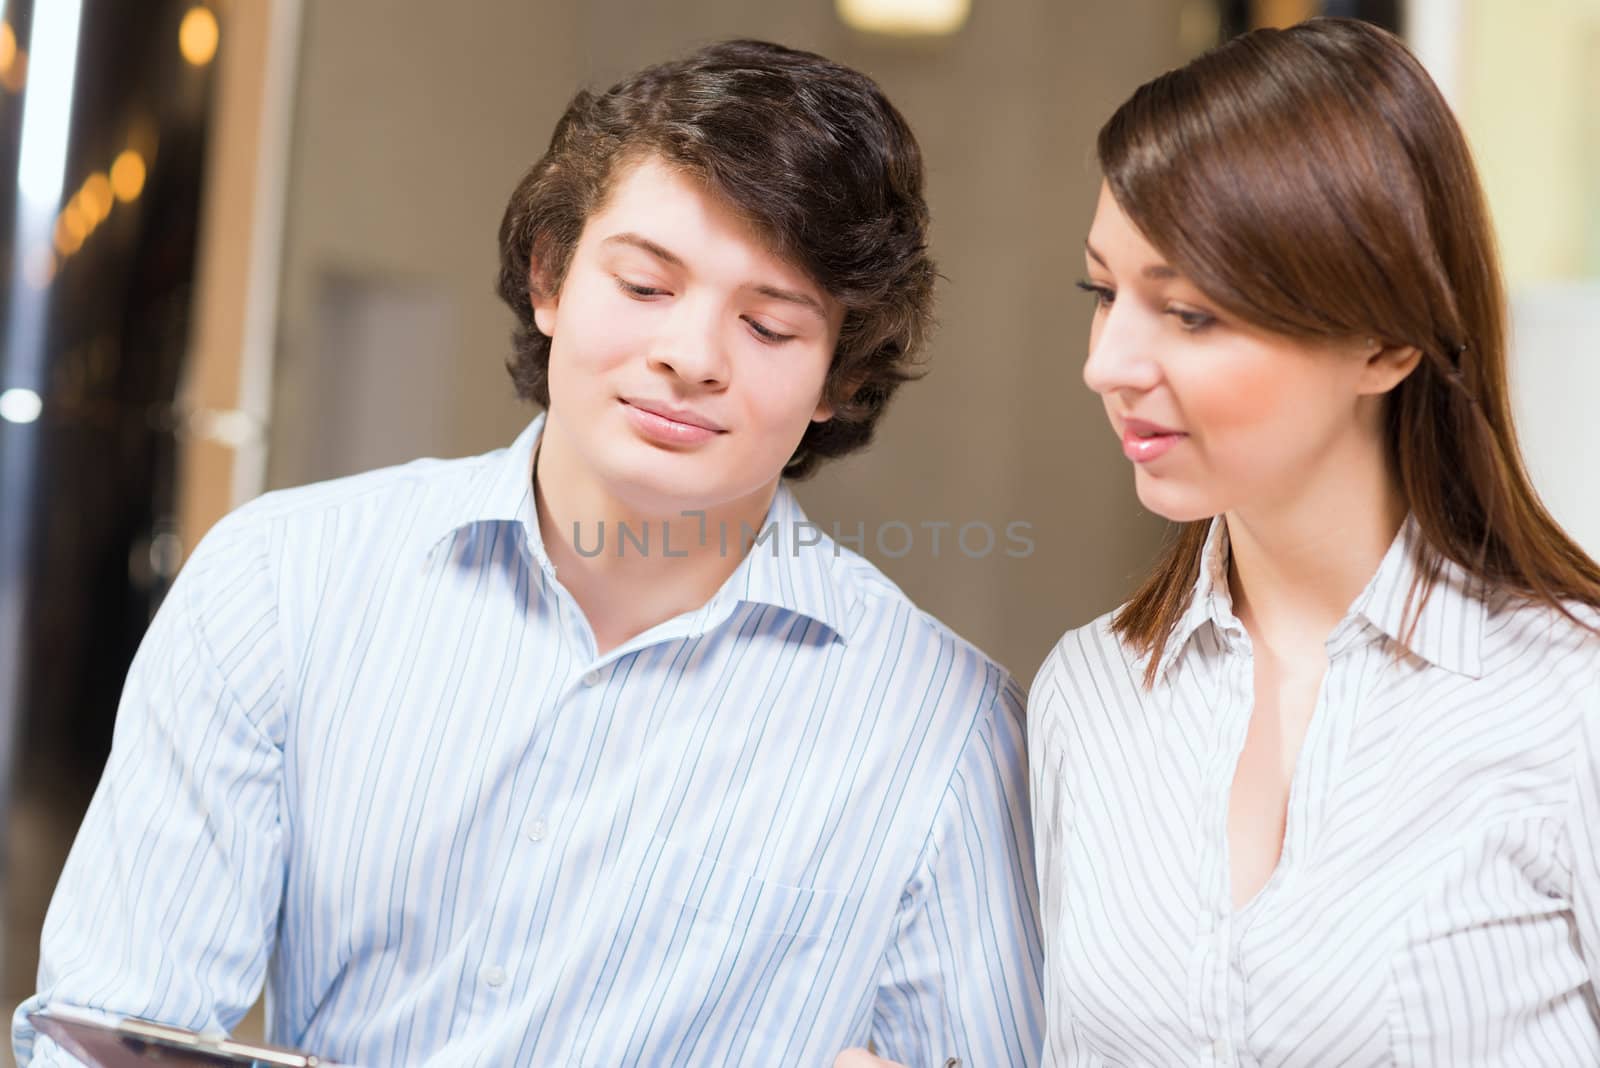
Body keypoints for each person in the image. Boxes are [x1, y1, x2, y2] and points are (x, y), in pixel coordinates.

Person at [14, 40, 1044, 1067]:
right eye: (645, 287)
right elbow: (106, 1030)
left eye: (769, 328)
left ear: (837, 377)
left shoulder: (942, 731)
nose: (691, 357)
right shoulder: (286, 580)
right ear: (550, 278)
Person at [1026, 17, 1600, 1066]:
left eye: (1190, 312)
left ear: (1384, 341)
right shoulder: (1086, 697)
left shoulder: (1572, 702)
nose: (1108, 364)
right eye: (1102, 293)